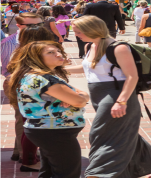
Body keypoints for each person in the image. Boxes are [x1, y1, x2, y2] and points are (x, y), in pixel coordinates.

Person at [64, 16, 151, 178]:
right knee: (124, 133)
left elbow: (132, 76)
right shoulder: (90, 46)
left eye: (79, 31)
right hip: (100, 97)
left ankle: (99, 173)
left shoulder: (119, 48)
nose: (76, 34)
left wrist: (121, 101)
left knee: (100, 134)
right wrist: (60, 68)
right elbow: (88, 68)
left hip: (116, 97)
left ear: (92, 30)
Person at [5, 41, 89, 178]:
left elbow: (77, 96)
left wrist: (77, 96)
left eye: (58, 51)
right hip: (55, 131)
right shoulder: (44, 79)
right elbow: (79, 100)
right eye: (51, 52)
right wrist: (82, 97)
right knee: (66, 173)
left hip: (47, 130)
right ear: (36, 58)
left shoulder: (32, 76)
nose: (58, 54)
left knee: (49, 172)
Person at [2, 24, 55, 172]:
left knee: (25, 122)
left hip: (18, 86)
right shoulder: (34, 52)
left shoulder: (20, 50)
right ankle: (29, 161)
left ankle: (23, 155)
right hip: (29, 88)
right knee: (31, 125)